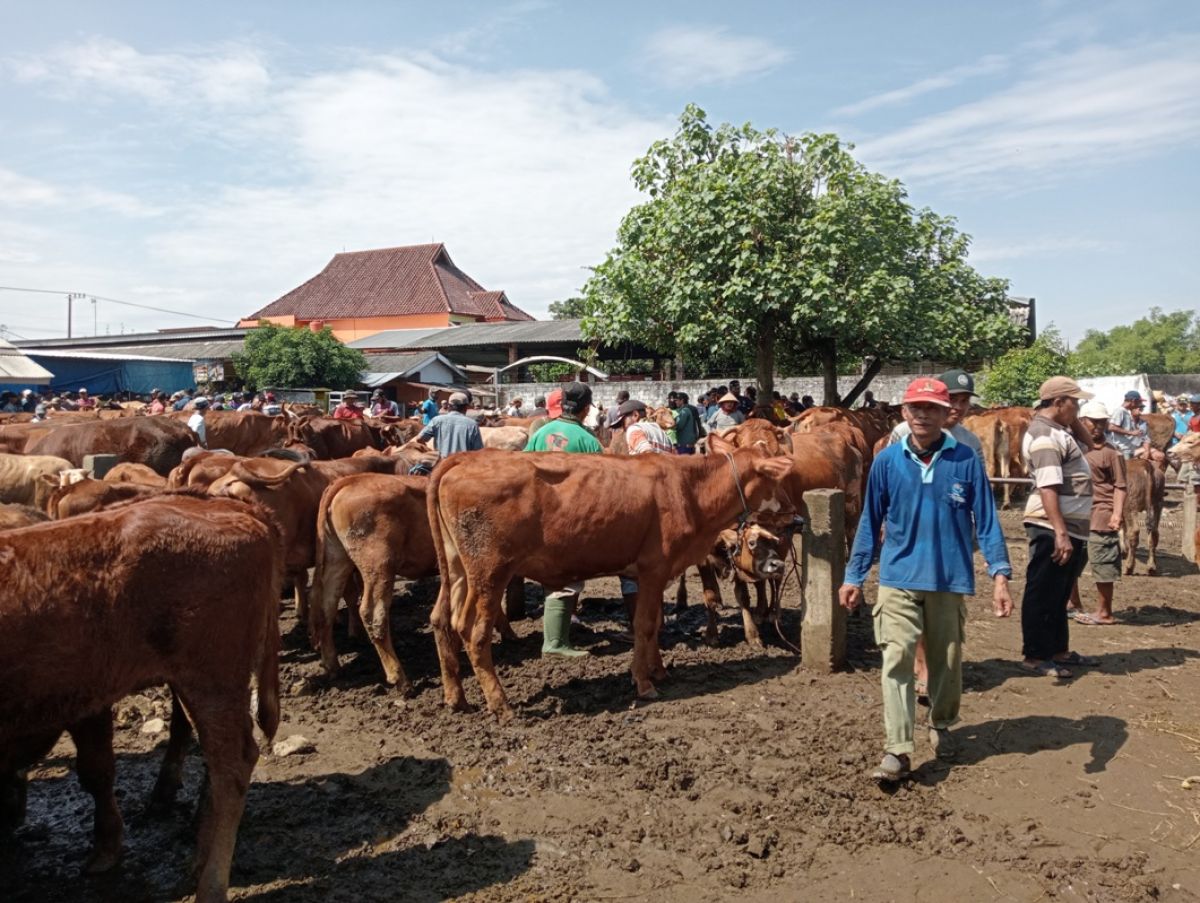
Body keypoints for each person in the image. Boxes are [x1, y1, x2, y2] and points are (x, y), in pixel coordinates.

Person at [840, 377, 1012, 783]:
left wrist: (1000, 574)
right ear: (904, 412)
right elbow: (870, 521)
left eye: (931, 408)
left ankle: (942, 722)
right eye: (915, 407)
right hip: (898, 575)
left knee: (946, 663)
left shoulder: (966, 459)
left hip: (948, 577)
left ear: (945, 413)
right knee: (896, 658)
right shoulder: (886, 461)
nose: (922, 414)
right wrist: (854, 575)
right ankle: (897, 749)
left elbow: (987, 521)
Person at [1020, 376, 1097, 679]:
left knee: (1059, 590)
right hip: (1052, 525)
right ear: (1058, 402)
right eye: (1074, 402)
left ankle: (1058, 649)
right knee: (1043, 589)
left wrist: (1071, 418)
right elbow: (1048, 485)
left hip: (1066, 525)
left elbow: (1090, 444)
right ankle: (1035, 655)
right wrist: (1060, 532)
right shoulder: (1044, 436)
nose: (1078, 408)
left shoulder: (1057, 431)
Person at [525, 382, 603, 656]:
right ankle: (555, 642)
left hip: (536, 515)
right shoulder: (589, 441)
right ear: (585, 409)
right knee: (566, 577)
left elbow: (522, 471)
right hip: (570, 517)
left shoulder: (540, 432)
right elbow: (600, 487)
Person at [1067, 401, 1126, 626]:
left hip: (1101, 514)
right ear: (1083, 422)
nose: (1099, 426)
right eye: (1094, 422)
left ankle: (1104, 611)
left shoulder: (1112, 454)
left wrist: (1116, 514)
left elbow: (1120, 486)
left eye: (1103, 422)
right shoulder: (1074, 447)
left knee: (1103, 564)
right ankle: (1073, 603)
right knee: (1071, 562)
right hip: (1076, 514)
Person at [889, 369, 984, 466]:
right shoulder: (903, 432)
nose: (958, 407)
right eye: (952, 399)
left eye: (964, 401)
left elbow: (978, 477)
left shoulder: (971, 441)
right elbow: (889, 468)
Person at [416, 391, 483, 460]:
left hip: (442, 465)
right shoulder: (472, 424)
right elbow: (478, 451)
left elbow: (419, 439)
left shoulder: (436, 421)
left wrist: (431, 453)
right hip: (463, 466)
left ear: (448, 406)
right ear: (466, 407)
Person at [1107, 391, 1146, 459]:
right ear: (1133, 401)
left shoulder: (1125, 412)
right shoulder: (1120, 411)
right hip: (1123, 449)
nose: (1139, 405)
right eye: (1138, 402)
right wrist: (1131, 432)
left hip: (1128, 449)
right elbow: (1111, 427)